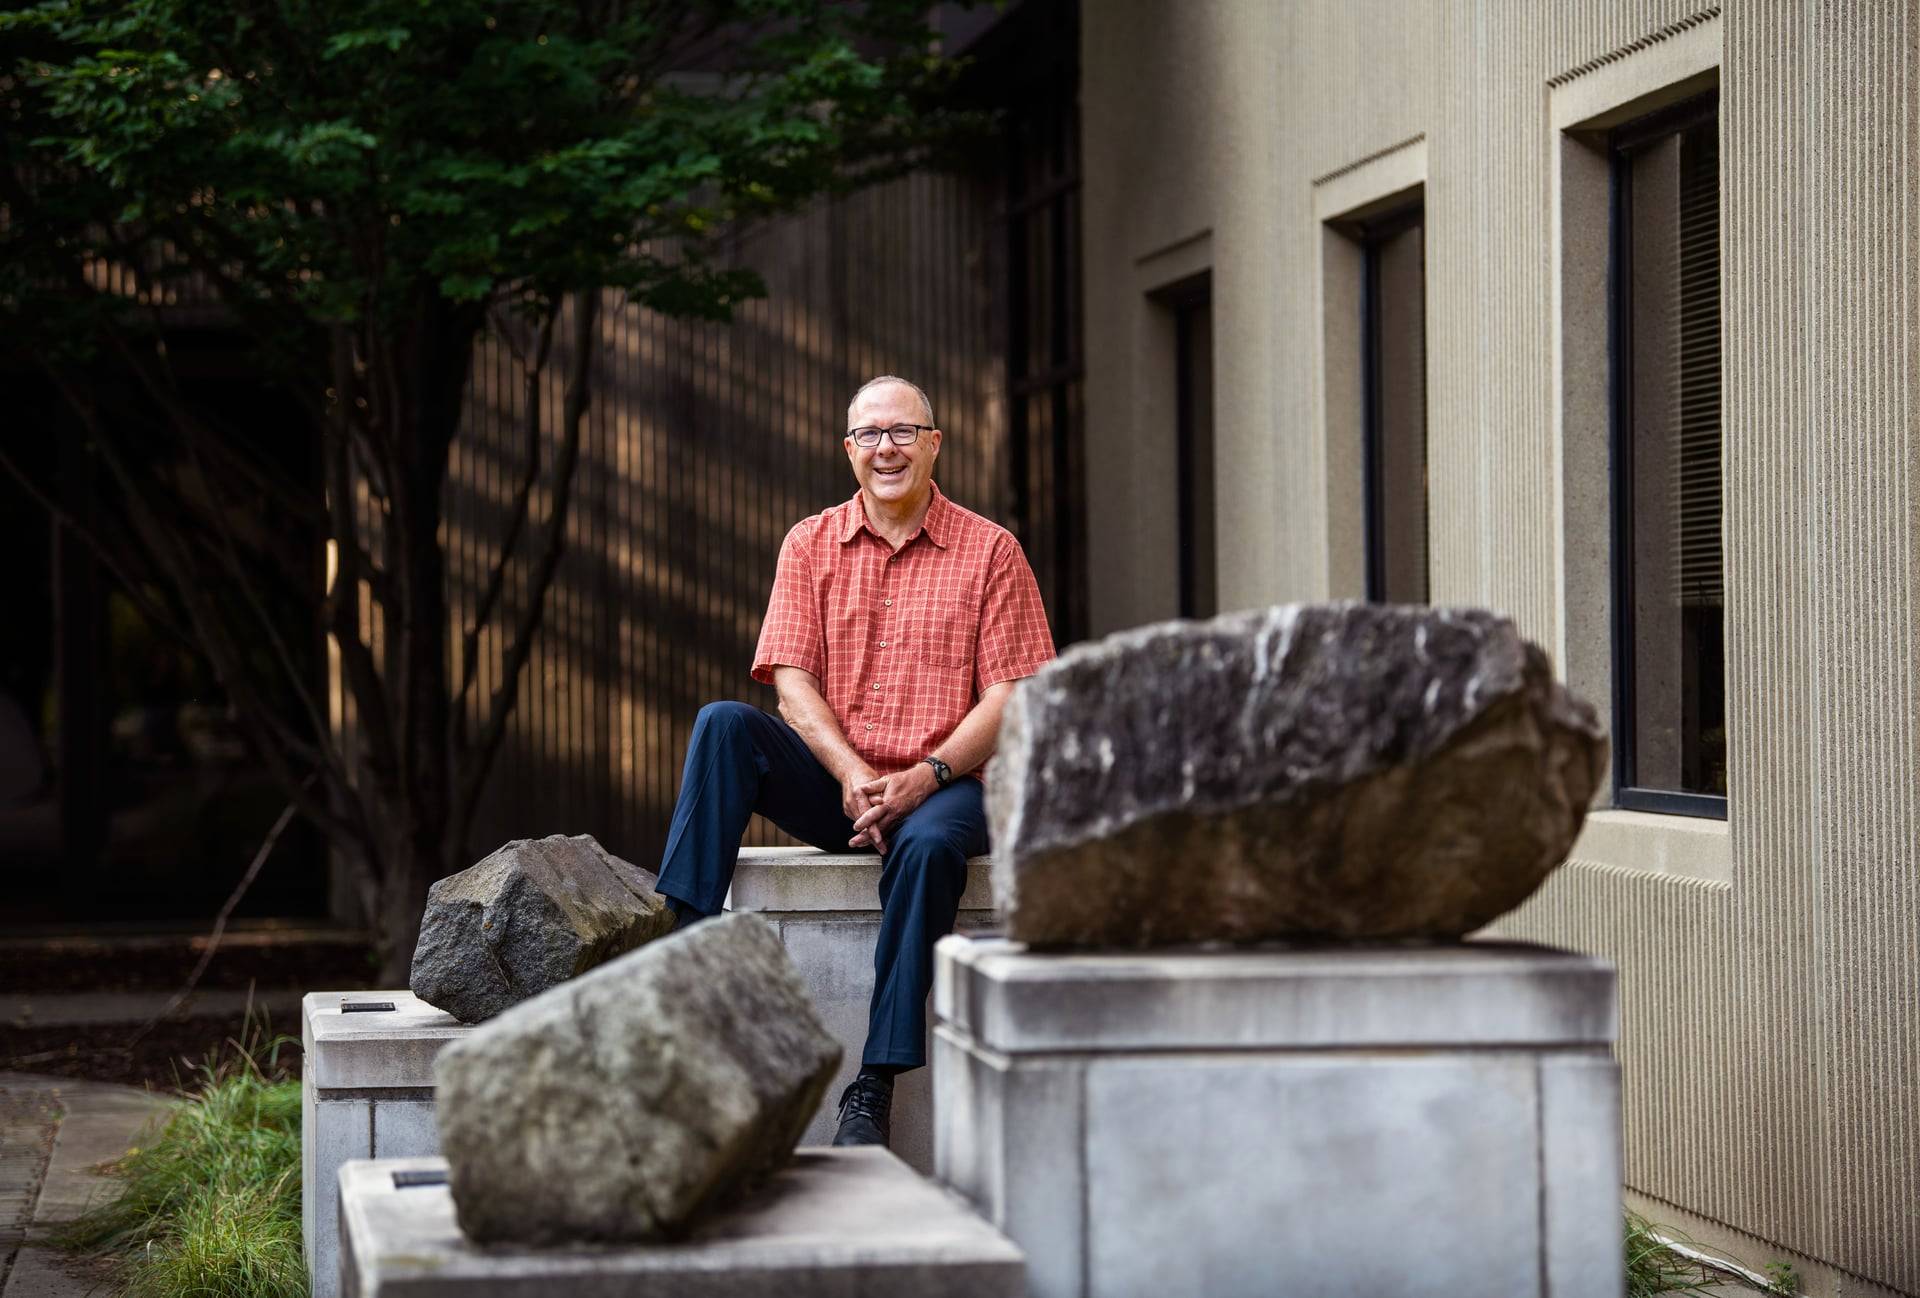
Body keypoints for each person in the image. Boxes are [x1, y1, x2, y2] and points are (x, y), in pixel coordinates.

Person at [653, 375, 1055, 1147]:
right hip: (842, 785)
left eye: (903, 432)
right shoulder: (810, 542)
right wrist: (848, 774)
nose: (886, 449)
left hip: (946, 787)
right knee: (723, 725)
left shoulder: (991, 551)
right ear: (849, 452)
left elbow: (1011, 695)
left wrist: (925, 777)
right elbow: (792, 683)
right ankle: (678, 965)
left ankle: (874, 1085)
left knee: (932, 844)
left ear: (935, 445)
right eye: (870, 436)